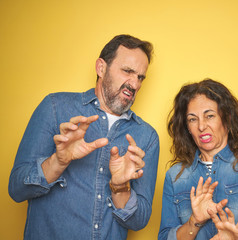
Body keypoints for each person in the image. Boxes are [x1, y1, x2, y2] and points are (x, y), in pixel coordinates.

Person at [8, 34, 160, 240]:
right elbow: (16, 189)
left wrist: (120, 187)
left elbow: (139, 221)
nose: (134, 84)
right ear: (101, 68)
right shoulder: (55, 107)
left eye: (140, 77)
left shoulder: (146, 136)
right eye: (127, 71)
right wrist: (58, 162)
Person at [158, 79, 238, 240]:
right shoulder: (175, 177)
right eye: (192, 119)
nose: (201, 126)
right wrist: (194, 221)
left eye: (210, 116)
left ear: (227, 118)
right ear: (187, 128)